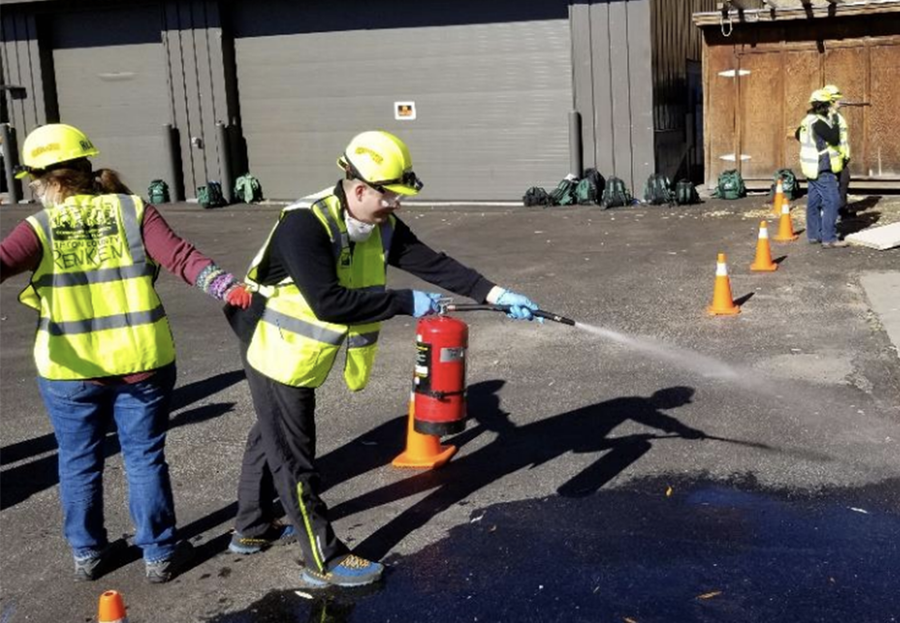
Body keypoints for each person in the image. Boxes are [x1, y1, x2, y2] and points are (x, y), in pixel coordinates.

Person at [226, 130, 541, 588]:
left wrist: (494, 294)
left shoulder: (379, 224)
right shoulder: (304, 225)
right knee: (294, 450)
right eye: (390, 197)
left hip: (298, 345)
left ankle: (251, 529)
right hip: (268, 340)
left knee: (271, 432)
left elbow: (432, 262)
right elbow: (329, 303)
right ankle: (324, 558)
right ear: (359, 189)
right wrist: (404, 302)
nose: (396, 205)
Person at [0, 123, 253, 583]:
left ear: (45, 180)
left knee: (77, 459)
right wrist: (226, 287)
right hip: (142, 363)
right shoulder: (132, 210)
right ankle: (159, 554)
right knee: (144, 456)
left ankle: (88, 553)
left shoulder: (40, 226)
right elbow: (180, 257)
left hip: (69, 367)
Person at [798, 89, 846, 248]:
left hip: (810, 166)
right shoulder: (819, 122)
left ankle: (814, 235)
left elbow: (799, 135)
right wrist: (835, 119)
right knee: (832, 200)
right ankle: (829, 238)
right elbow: (834, 138)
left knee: (814, 200)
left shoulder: (807, 120)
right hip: (822, 167)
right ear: (825, 105)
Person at [824, 84, 854, 217]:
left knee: (844, 180)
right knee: (829, 185)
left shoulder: (837, 116)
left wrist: (845, 154)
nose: (839, 101)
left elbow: (842, 138)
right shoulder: (825, 117)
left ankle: (842, 208)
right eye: (836, 99)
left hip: (840, 157)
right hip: (830, 158)